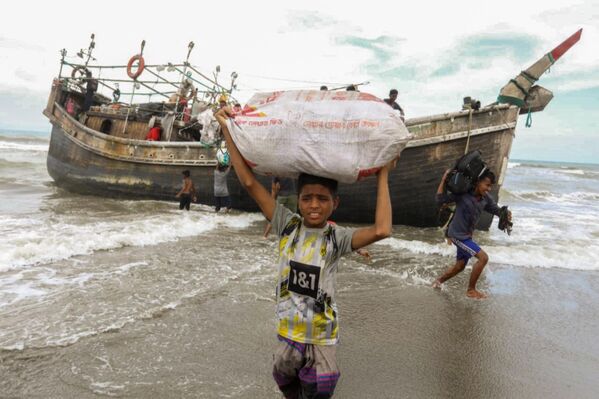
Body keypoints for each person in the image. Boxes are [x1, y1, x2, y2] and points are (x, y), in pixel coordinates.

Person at [215, 106, 395, 399]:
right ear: (297, 201)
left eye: (322, 199)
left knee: (322, 386)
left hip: (322, 335)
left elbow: (382, 229)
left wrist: (383, 174)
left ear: (334, 203)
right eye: (307, 198)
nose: (314, 205)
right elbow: (249, 182)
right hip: (288, 331)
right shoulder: (286, 224)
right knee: (286, 378)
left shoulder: (337, 237)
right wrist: (227, 129)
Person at [432, 168, 511, 299]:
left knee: (460, 266)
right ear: (478, 182)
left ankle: (438, 282)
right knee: (483, 258)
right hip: (457, 235)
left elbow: (496, 210)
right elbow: (440, 199)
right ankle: (471, 290)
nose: (489, 189)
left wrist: (505, 214)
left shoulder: (485, 199)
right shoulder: (463, 195)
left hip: (467, 237)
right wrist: (443, 179)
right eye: (487, 185)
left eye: (491, 186)